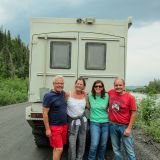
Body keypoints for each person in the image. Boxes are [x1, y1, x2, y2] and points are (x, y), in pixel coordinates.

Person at [108, 78, 136, 160]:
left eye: (120, 85)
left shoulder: (130, 97)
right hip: (113, 125)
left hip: (124, 126)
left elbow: (133, 113)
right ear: (114, 86)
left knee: (129, 150)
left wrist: (129, 128)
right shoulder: (111, 92)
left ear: (124, 86)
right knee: (116, 149)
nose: (118, 87)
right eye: (116, 85)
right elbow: (100, 93)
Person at [42, 75, 68, 160]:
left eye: (61, 83)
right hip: (54, 127)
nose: (60, 85)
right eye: (58, 83)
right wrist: (47, 129)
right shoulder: (48, 96)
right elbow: (45, 113)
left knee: (56, 148)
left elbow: (72, 94)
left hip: (64, 125)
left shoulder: (63, 93)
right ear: (53, 84)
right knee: (59, 149)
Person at [87, 80, 109, 160]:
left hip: (105, 123)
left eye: (100, 86)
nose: (98, 88)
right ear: (93, 87)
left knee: (103, 145)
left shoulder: (107, 96)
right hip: (94, 123)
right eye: (96, 86)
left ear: (103, 88)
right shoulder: (89, 95)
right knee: (94, 144)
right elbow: (87, 105)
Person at [66, 78, 87, 160]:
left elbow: (88, 106)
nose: (78, 85)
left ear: (84, 86)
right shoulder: (68, 94)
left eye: (81, 84)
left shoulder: (85, 95)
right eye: (77, 83)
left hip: (83, 122)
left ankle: (80, 158)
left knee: (82, 142)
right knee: (72, 144)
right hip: (72, 122)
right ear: (75, 84)